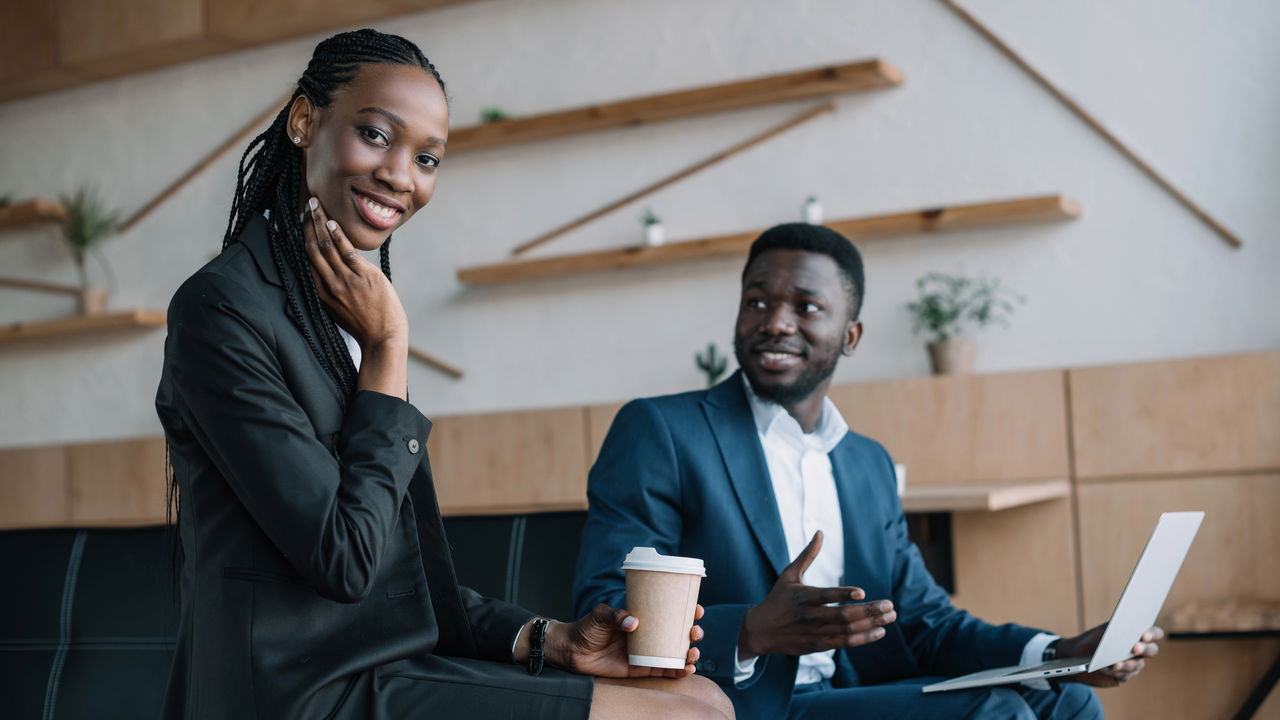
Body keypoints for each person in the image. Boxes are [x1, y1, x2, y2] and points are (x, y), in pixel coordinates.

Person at [156, 29, 733, 720]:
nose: (401, 175)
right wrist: (390, 347)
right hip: (296, 693)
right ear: (305, 120)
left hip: (383, 667)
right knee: (691, 716)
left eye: (426, 157)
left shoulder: (339, 312)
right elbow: (345, 559)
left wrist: (548, 640)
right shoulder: (223, 309)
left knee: (695, 693)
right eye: (375, 134)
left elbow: (409, 581)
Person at [572, 223, 1163, 720]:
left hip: (854, 693)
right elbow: (604, 605)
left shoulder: (866, 463)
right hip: (736, 704)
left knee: (1071, 701)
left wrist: (1057, 651)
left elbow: (926, 621)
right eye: (757, 301)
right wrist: (751, 630)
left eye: (807, 306)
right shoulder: (662, 431)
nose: (776, 321)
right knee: (994, 713)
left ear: (850, 336)